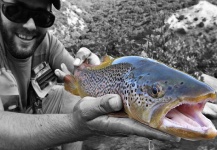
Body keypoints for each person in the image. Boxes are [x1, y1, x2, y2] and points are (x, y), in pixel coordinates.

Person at [0, 0, 179, 149]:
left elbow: (77, 76)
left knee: (72, 97)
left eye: (42, 18)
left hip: (27, 110)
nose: (30, 25)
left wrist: (98, 72)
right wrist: (75, 126)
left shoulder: (45, 42)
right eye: (16, 12)